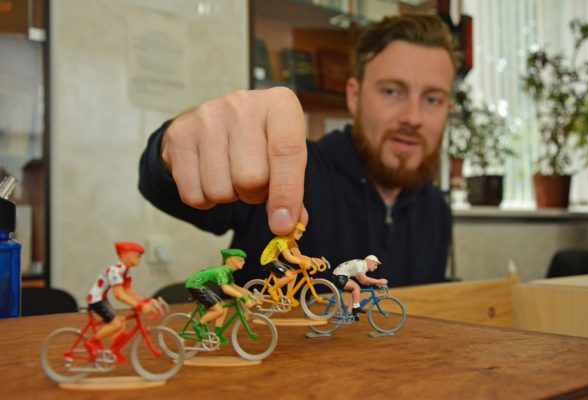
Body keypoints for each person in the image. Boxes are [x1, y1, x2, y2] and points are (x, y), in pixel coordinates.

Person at [139, 14, 458, 288]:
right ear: (354, 96)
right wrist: (177, 145)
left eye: (432, 99)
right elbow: (160, 184)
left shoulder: (435, 208)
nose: (413, 117)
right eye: (391, 91)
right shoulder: (287, 171)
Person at [85, 242, 157, 363]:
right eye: (137, 256)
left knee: (122, 322)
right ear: (125, 255)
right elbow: (119, 294)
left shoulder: (125, 270)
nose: (140, 259)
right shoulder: (115, 271)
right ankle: (91, 342)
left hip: (101, 298)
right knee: (117, 324)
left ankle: (114, 350)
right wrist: (139, 305)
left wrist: (144, 300)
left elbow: (128, 291)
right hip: (96, 300)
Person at [185, 248, 255, 344]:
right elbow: (226, 288)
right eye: (240, 260)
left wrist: (251, 295)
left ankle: (217, 333)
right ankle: (198, 325)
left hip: (202, 285)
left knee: (224, 307)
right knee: (218, 310)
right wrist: (243, 298)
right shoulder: (222, 271)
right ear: (231, 260)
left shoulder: (228, 272)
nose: (244, 262)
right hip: (195, 285)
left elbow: (233, 287)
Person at [259, 221, 314, 306]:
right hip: (267, 261)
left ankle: (289, 296)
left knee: (294, 274)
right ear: (291, 231)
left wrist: (313, 260)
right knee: (289, 275)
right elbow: (289, 257)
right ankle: (272, 290)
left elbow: (298, 255)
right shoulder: (281, 241)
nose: (301, 235)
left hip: (274, 260)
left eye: (302, 232)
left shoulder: (290, 241)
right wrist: (303, 262)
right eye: (299, 232)